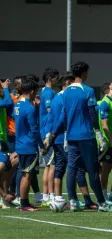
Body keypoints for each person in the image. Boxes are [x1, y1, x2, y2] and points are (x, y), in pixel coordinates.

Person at [62, 61, 112, 212]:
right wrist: (99, 133)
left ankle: (73, 201)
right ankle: (102, 203)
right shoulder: (88, 90)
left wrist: (66, 133)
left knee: (72, 168)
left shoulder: (66, 91)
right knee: (93, 170)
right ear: (83, 73)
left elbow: (65, 115)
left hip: (71, 136)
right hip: (86, 135)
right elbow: (93, 114)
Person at [46, 73, 98, 209]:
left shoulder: (57, 98)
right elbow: (62, 118)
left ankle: (58, 198)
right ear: (68, 82)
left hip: (59, 138)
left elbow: (51, 118)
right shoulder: (66, 97)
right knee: (77, 168)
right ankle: (83, 199)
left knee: (60, 169)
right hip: (66, 137)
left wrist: (50, 135)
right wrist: (54, 133)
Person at [14, 78, 47, 211]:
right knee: (28, 175)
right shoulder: (29, 108)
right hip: (29, 146)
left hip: (20, 145)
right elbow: (34, 129)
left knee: (24, 174)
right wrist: (42, 145)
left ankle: (23, 201)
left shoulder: (18, 105)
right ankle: (24, 203)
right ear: (33, 91)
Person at [40, 68, 59, 207]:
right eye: (56, 77)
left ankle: (45, 196)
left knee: (47, 166)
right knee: (52, 165)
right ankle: (51, 195)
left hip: (44, 131)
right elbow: (49, 111)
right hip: (48, 131)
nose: (58, 80)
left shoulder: (44, 91)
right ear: (50, 78)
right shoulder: (48, 92)